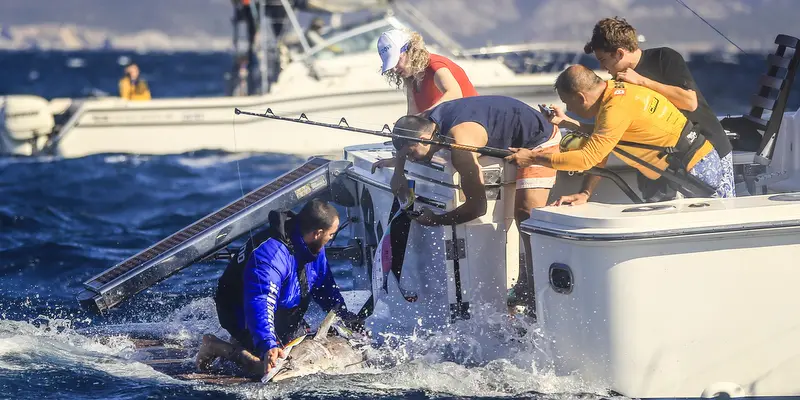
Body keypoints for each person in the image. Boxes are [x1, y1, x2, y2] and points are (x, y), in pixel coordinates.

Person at [386, 95, 562, 306]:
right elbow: (408, 136)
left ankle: (531, 285)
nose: (411, 159)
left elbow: (478, 207)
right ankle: (527, 283)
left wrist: (436, 220)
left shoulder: (461, 146)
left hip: (539, 141)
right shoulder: (424, 122)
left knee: (525, 214)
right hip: (498, 125)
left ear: (424, 140)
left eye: (411, 154)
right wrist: (399, 172)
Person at [505, 65, 735, 205]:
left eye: (568, 103)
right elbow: (603, 142)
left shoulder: (615, 108)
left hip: (696, 172)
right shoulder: (618, 91)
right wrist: (585, 192)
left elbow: (587, 158)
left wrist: (532, 158)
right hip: (695, 163)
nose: (571, 109)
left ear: (581, 97)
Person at [196, 198, 362, 378]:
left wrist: (346, 317)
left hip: (284, 310)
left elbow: (324, 286)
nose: (331, 239)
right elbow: (259, 302)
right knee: (269, 370)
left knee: (302, 349)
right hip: (242, 312)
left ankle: (251, 341)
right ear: (317, 233)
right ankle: (216, 346)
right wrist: (268, 344)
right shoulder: (272, 255)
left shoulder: (314, 247)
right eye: (331, 235)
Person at [576, 16, 734, 201]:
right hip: (662, 166)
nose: (602, 67)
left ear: (619, 53)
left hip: (707, 153)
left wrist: (642, 81)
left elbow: (690, 102)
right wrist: (585, 193)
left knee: (717, 217)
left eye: (603, 60)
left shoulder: (664, 58)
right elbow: (605, 136)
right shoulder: (618, 86)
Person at [378, 29, 479, 115]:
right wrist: (406, 124)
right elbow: (413, 114)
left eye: (397, 61)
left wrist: (424, 116)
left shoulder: (435, 65)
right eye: (391, 65)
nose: (394, 69)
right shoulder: (410, 78)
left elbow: (455, 94)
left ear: (410, 50)